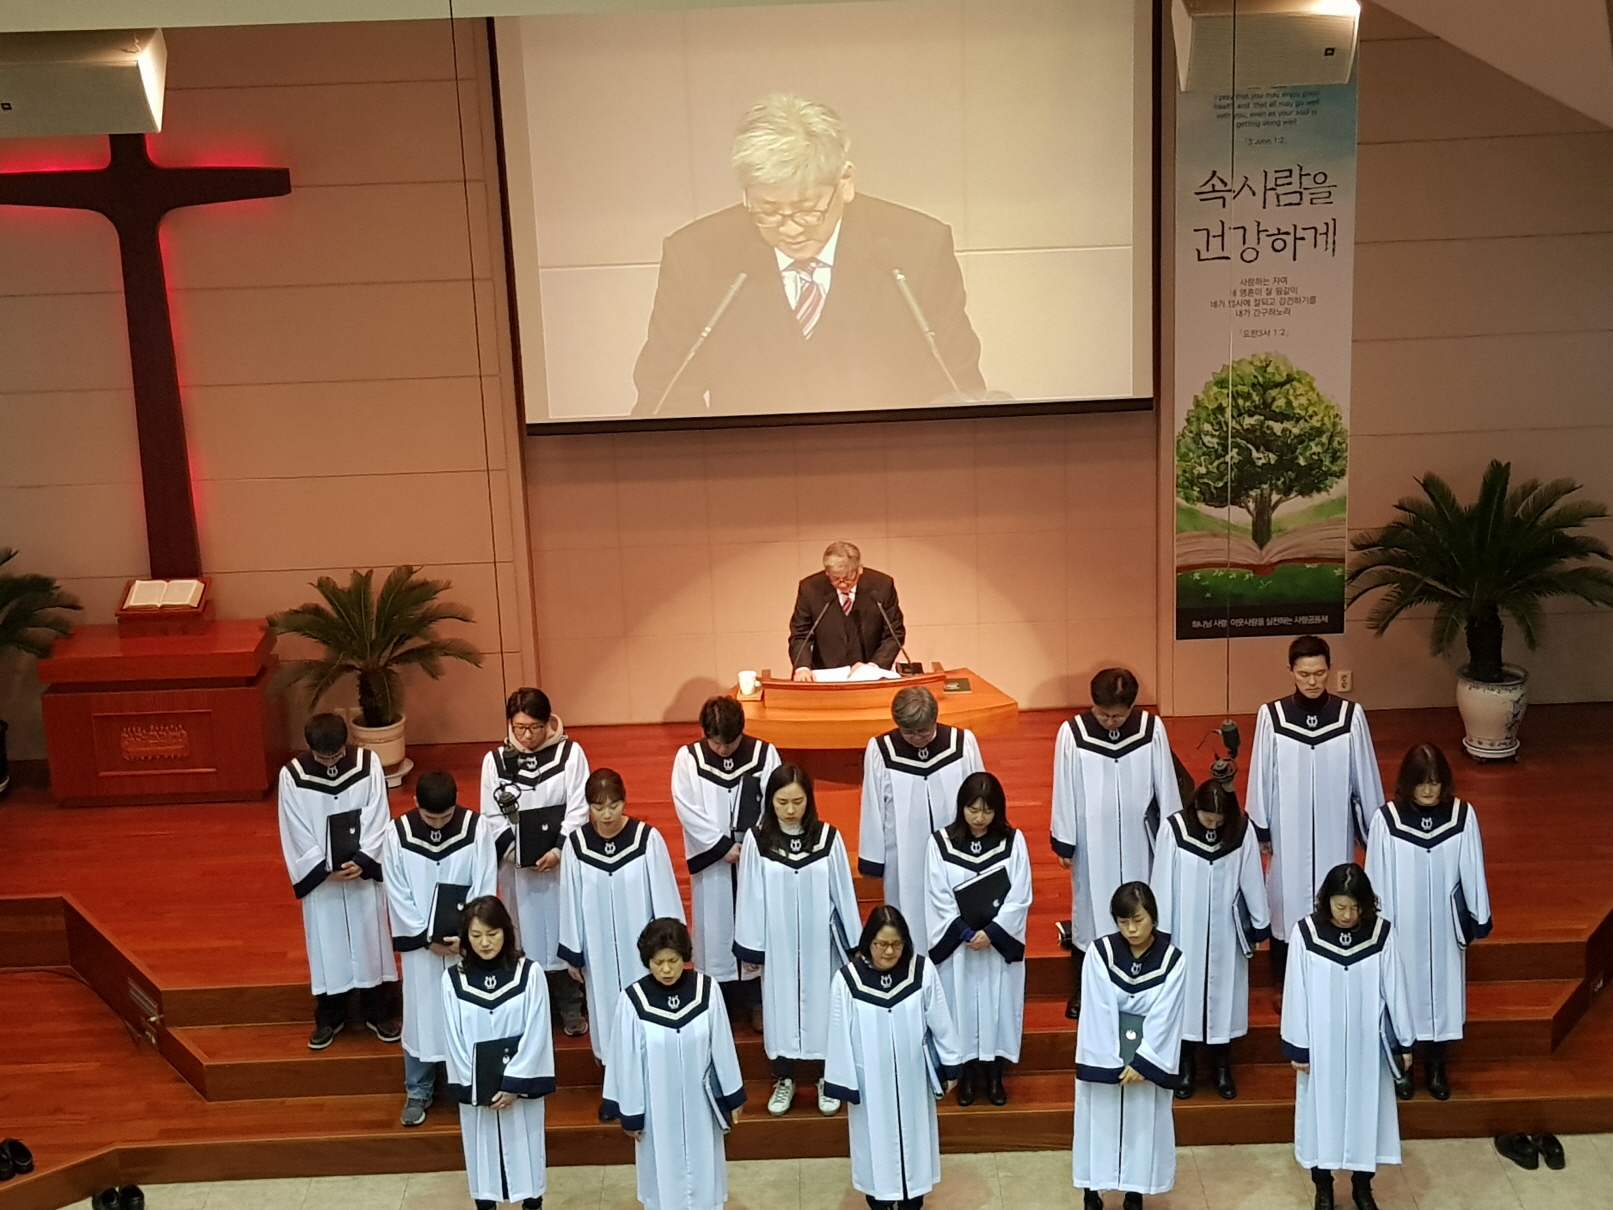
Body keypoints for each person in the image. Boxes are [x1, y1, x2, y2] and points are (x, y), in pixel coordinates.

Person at [631, 92, 985, 419]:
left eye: (807, 209)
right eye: (767, 210)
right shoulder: (695, 256)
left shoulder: (916, 249)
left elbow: (956, 390)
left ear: (845, 182)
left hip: (886, 459)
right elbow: (665, 398)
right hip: (748, 462)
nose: (789, 229)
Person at [1247, 636, 1384, 1006]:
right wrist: (1261, 827)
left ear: (1329, 670)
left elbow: (1365, 774)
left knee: (1335, 895)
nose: (1312, 681)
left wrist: (1374, 829)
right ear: (1291, 671)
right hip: (1286, 831)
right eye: (1304, 674)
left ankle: (1332, 977)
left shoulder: (1349, 716)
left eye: (1320, 673)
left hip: (1333, 829)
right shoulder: (1272, 716)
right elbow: (1261, 775)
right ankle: (1283, 982)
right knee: (1286, 903)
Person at [1281, 864, 1415, 1210]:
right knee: (1320, 1118)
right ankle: (1323, 1187)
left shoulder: (1381, 934)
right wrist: (1299, 1046)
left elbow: (1396, 988)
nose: (1347, 915)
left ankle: (1362, 1186)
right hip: (1321, 1046)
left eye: (1355, 908)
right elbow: (1296, 992)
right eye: (1340, 906)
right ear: (1326, 901)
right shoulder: (1306, 934)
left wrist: (1404, 1042)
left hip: (1366, 1047)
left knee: (1365, 1115)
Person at [1050, 668, 1180, 1019]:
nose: (1109, 722)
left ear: (1132, 707)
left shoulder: (1149, 729)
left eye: (1117, 716)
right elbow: (1064, 787)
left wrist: (1172, 834)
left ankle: (1148, 982)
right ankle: (1084, 987)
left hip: (1140, 839)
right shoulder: (1073, 733)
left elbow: (1166, 783)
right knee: (1090, 914)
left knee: (1143, 904)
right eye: (1103, 714)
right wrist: (1064, 839)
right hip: (1092, 841)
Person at [1365, 744, 1492, 1101]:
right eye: (1421, 782)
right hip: (1402, 926)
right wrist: (1377, 928)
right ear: (1408, 782)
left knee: (1442, 995)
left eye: (1435, 782)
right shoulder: (1387, 821)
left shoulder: (1461, 816)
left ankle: (1436, 1065)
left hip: (1444, 930)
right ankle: (1402, 1066)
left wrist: (1477, 916)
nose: (1428, 790)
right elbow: (1376, 877)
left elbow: (1472, 868)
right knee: (1401, 993)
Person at [556, 769, 684, 1122]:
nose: (607, 814)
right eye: (599, 807)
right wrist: (573, 952)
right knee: (606, 1017)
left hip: (640, 954)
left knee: (646, 1015)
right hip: (598, 954)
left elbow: (664, 895)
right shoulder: (577, 846)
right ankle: (614, 1092)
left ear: (625, 802)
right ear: (588, 808)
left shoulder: (646, 840)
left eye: (613, 805)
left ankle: (650, 1088)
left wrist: (669, 947)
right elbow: (570, 900)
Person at [733, 764, 860, 1118]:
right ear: (770, 801)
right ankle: (784, 1077)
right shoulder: (758, 841)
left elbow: (843, 891)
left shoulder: (828, 838)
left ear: (809, 800)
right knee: (781, 1009)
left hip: (821, 944)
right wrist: (752, 946)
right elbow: (750, 895)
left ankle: (826, 1078)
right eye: (782, 802)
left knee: (824, 1008)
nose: (790, 810)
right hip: (779, 944)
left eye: (798, 801)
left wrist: (853, 943)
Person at [825, 905, 963, 1210]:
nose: (889, 952)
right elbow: (838, 1033)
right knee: (876, 1150)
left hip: (914, 1080)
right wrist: (843, 1082)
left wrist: (950, 1063)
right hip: (870, 1084)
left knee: (915, 1146)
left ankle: (914, 1202)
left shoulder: (921, 971)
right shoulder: (848, 980)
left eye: (896, 944)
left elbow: (940, 1019)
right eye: (882, 944)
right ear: (868, 942)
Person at [382, 769, 499, 1126]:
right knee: (421, 1013)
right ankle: (418, 1089)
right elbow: (396, 889)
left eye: (445, 817)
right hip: (422, 949)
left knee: (469, 1011)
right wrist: (424, 937)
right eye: (430, 817)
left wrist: (470, 935)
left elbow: (484, 880)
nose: (438, 824)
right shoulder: (398, 834)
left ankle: (472, 1082)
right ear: (415, 803)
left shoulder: (476, 829)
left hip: (466, 944)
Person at [603, 918, 747, 1210]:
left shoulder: (706, 990)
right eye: (658, 963)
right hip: (656, 1111)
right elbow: (625, 1061)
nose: (666, 970)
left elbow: (722, 1045)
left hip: (701, 1106)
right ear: (647, 961)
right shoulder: (633, 1001)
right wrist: (632, 1113)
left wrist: (733, 1095)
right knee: (662, 1181)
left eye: (673, 961)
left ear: (685, 957)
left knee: (705, 1176)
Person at [276, 711, 399, 1051]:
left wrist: (364, 859)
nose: (331, 763)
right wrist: (322, 868)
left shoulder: (367, 764)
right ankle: (330, 1016)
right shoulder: (293, 776)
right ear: (310, 749)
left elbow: (378, 813)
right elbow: (294, 827)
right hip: (325, 882)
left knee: (370, 938)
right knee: (327, 943)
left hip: (361, 874)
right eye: (324, 757)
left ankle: (378, 1012)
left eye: (336, 755)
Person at [480, 687, 590, 1036]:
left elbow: (579, 807)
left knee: (563, 930)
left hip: (560, 866)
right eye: (520, 728)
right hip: (519, 870)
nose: (527, 736)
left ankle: (570, 1002)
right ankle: (528, 1006)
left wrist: (558, 850)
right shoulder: (495, 762)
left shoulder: (570, 754)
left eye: (535, 728)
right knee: (522, 931)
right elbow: (491, 814)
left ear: (548, 722)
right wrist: (517, 852)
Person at [1150, 778, 1269, 1100]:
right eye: (1207, 818)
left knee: (1224, 998)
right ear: (1196, 809)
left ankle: (1222, 1066)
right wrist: (1161, 932)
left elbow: (1252, 878)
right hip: (1185, 930)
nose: (1213, 825)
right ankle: (1186, 1065)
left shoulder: (1241, 831)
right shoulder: (1174, 830)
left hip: (1226, 933)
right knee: (1186, 998)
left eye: (1219, 820)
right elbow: (1162, 880)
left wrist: (1259, 925)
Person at [1071, 882, 1186, 1210]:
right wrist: (1111, 1059)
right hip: (1106, 1051)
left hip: (1146, 1053)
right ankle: (1092, 1191)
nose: (1131, 929)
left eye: (1138, 920)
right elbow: (1098, 1007)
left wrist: (1143, 1061)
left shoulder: (1172, 960)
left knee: (1141, 1124)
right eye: (1123, 922)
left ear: (1153, 918)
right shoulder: (1100, 953)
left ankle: (1134, 1192)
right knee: (1099, 1121)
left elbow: (1167, 1013)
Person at [670, 695, 780, 1031]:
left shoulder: (763, 754)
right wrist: (721, 847)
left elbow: (775, 801)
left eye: (728, 743)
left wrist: (750, 845)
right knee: (715, 929)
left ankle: (757, 999)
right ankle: (719, 1000)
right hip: (713, 864)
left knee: (755, 923)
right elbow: (687, 807)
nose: (721, 750)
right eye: (715, 742)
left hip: (752, 857)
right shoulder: (689, 758)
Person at [924, 771, 1032, 1107]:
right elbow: (937, 895)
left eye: (987, 810)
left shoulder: (1012, 842)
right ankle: (966, 1074)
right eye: (973, 810)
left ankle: (995, 1074)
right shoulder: (940, 844)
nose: (980, 818)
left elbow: (1020, 895)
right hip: (961, 947)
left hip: (995, 946)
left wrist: (993, 933)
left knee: (997, 1007)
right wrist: (966, 932)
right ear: (962, 807)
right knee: (961, 1007)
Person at [440, 895, 555, 1210]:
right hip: (479, 1092)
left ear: (506, 931)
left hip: (520, 1089)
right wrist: (480, 1086)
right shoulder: (453, 980)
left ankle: (532, 1203)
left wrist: (514, 1083)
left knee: (526, 1149)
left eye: (492, 934)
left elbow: (537, 1030)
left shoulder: (529, 974)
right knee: (483, 1154)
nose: (485, 943)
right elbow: (454, 1038)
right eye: (476, 935)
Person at [860, 684, 986, 942]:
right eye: (908, 732)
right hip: (903, 853)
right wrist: (873, 858)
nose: (917, 738)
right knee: (909, 912)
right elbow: (873, 805)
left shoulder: (961, 744)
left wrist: (984, 840)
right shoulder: (882, 750)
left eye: (923, 731)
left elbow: (980, 793)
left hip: (956, 847)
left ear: (935, 720)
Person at [789, 541, 905, 678]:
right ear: (827, 572)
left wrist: (873, 667)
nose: (842, 584)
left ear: (859, 569)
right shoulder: (810, 589)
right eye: (835, 579)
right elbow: (801, 634)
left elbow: (894, 634)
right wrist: (802, 668)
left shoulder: (882, 586)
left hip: (870, 674)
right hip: (824, 675)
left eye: (848, 578)